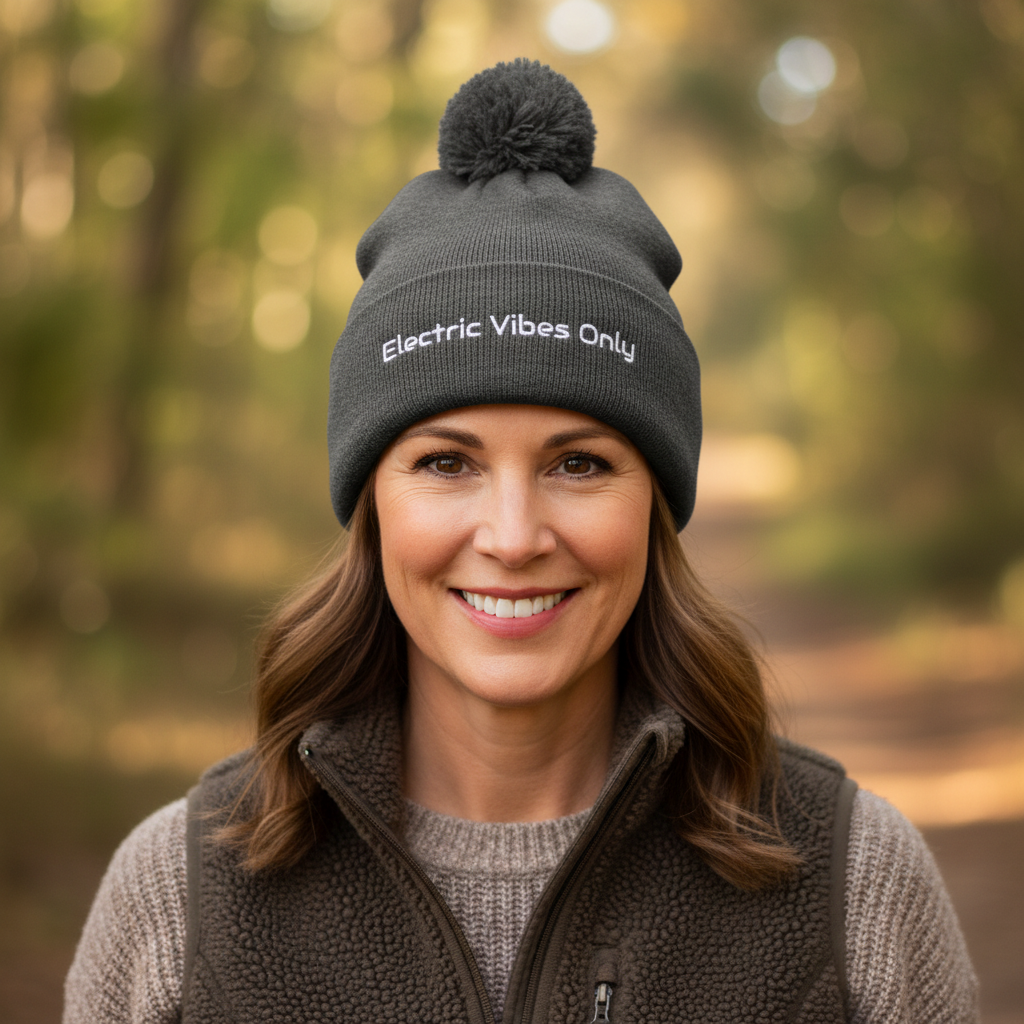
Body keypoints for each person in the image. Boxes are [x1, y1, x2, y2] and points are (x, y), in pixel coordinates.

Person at [64, 60, 978, 1024]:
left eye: (578, 464)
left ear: (656, 502)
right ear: (370, 500)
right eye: (447, 463)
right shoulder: (181, 898)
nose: (512, 537)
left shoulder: (853, 885)